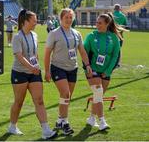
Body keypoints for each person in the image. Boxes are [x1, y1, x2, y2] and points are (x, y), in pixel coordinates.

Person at [7, 9, 57, 140]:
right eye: (34, 20)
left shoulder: (34, 35)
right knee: (19, 102)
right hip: (20, 73)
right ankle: (12, 126)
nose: (36, 22)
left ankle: (46, 131)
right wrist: (31, 67)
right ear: (25, 21)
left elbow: (34, 53)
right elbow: (19, 56)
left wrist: (37, 66)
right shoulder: (17, 37)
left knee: (39, 100)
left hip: (34, 73)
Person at [44, 8, 92, 135]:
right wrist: (47, 71)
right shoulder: (54, 33)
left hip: (73, 68)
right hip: (58, 68)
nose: (69, 20)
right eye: (66, 17)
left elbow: (82, 51)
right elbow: (47, 53)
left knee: (66, 97)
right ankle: (65, 123)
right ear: (61, 19)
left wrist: (87, 65)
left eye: (71, 17)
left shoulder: (77, 33)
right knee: (65, 94)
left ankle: (59, 120)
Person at [83, 13, 121, 130]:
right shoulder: (91, 36)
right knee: (98, 93)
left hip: (106, 71)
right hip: (92, 70)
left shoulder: (114, 38)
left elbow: (116, 56)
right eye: (96, 22)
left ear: (107, 24)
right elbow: (84, 53)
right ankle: (102, 121)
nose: (97, 25)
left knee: (98, 96)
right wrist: (87, 67)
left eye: (100, 23)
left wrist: (108, 71)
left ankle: (91, 118)